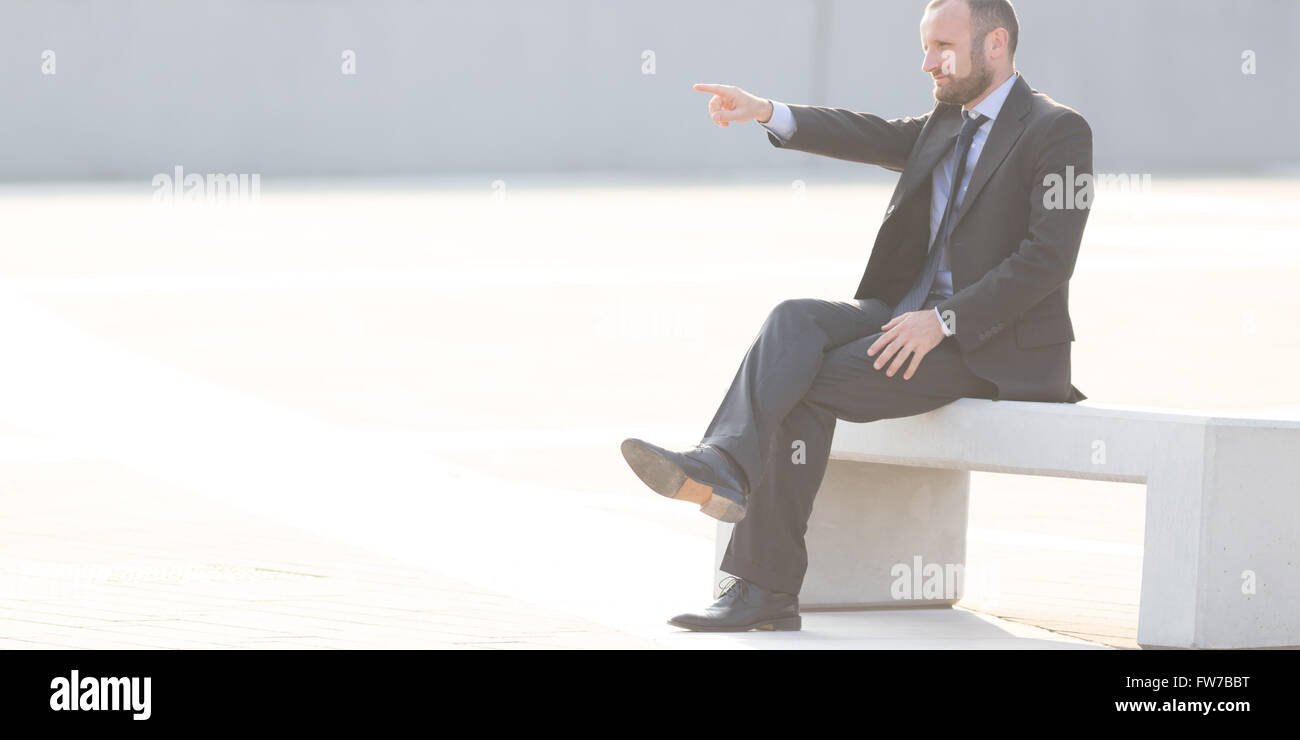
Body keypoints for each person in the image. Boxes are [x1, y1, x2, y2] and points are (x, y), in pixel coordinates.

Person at [621, 0, 1092, 632]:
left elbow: (1048, 259)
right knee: (794, 321)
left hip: (984, 344)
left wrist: (944, 320)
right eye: (925, 47)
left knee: (802, 388)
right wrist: (767, 111)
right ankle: (725, 466)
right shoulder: (947, 121)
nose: (928, 62)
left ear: (996, 44)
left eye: (942, 47)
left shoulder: (1056, 130)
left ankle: (761, 584)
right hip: (900, 318)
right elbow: (866, 133)